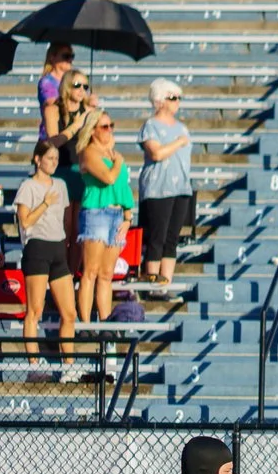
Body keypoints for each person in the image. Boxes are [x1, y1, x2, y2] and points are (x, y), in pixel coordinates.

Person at [14, 138, 77, 364]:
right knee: (35, 310)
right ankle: (33, 362)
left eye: (56, 159)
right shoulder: (28, 186)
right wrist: (45, 203)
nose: (53, 162)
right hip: (37, 246)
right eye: (49, 158)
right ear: (37, 159)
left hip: (58, 247)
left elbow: (67, 220)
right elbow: (25, 221)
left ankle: (69, 364)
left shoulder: (60, 184)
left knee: (69, 313)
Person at [76, 114, 134, 329]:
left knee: (107, 274)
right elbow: (108, 177)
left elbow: (122, 186)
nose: (109, 129)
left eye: (112, 125)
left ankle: (105, 323)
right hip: (96, 213)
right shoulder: (89, 153)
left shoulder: (112, 153)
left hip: (116, 215)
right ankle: (85, 323)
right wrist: (118, 161)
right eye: (104, 126)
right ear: (93, 130)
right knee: (90, 270)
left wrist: (128, 216)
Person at [137, 79, 193, 288]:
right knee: (156, 237)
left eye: (178, 98)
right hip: (158, 188)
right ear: (160, 100)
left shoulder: (182, 127)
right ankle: (152, 281)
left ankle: (165, 284)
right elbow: (157, 153)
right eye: (172, 97)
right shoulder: (151, 126)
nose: (177, 102)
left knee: (171, 239)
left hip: (181, 188)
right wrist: (178, 142)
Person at [36, 44, 75, 139]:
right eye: (66, 56)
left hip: (69, 133)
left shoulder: (74, 80)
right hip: (51, 135)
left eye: (72, 56)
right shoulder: (46, 82)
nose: (70, 59)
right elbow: (51, 103)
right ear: (52, 58)